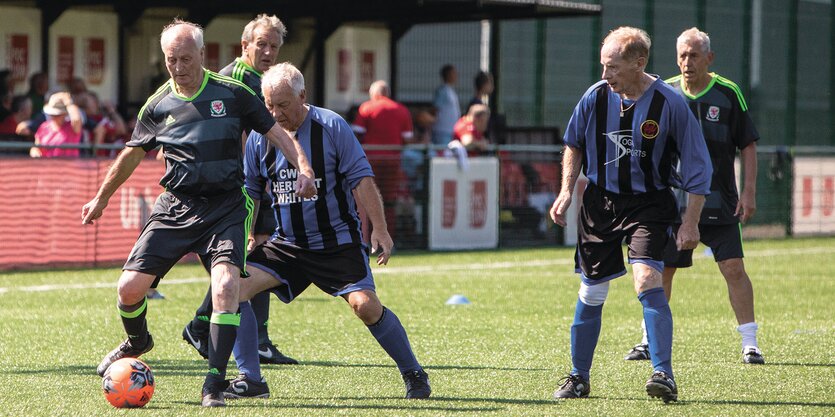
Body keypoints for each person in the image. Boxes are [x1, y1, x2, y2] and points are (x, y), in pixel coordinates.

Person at [80, 19, 316, 408]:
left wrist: (304, 169)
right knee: (128, 290)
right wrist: (101, 198)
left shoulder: (235, 93)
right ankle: (139, 341)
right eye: (171, 59)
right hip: (175, 208)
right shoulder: (157, 104)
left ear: (203, 55)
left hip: (226, 207)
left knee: (225, 288)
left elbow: (277, 133)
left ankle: (213, 384)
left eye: (186, 58)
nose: (178, 67)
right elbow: (132, 154)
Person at [217, 62, 431, 400]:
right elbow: (251, 192)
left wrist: (380, 229)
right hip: (287, 244)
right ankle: (252, 380)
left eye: (283, 105)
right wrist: (244, 235)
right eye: (269, 105)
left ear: (303, 95)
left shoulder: (332, 126)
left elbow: (361, 178)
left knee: (365, 306)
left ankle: (414, 374)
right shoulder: (261, 137)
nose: (275, 113)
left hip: (337, 243)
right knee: (231, 289)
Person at [549, 26, 712, 403]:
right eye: (603, 66)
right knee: (592, 291)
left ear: (639, 63)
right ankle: (578, 376)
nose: (606, 75)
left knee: (647, 281)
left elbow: (697, 164)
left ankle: (663, 374)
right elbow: (573, 144)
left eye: (613, 67)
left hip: (650, 205)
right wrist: (565, 190)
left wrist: (690, 220)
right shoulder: (594, 97)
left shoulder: (670, 104)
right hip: (600, 204)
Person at [623, 27, 764, 365]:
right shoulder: (665, 92)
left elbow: (748, 145)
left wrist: (748, 191)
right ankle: (647, 340)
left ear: (709, 58)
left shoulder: (728, 93)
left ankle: (750, 343)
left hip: (719, 200)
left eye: (694, 55)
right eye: (682, 55)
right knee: (662, 270)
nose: (687, 62)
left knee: (732, 268)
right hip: (672, 203)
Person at [181, 13, 298, 366]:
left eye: (274, 46)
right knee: (249, 256)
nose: (267, 51)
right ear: (245, 45)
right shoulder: (231, 78)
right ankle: (227, 332)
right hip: (237, 182)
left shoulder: (267, 80)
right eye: (261, 44)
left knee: (253, 256)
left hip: (259, 176)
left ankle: (215, 329)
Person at [351, 80, 414, 237]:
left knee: (367, 197)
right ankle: (388, 237)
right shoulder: (401, 109)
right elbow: (407, 138)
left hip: (370, 161)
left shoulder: (366, 108)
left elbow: (356, 135)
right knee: (389, 199)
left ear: (374, 94)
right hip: (393, 161)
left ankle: (366, 237)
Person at [30, 92, 82, 158]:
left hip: (68, 166)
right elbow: (36, 147)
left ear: (65, 114)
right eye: (52, 114)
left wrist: (68, 102)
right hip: (47, 166)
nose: (54, 117)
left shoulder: (72, 127)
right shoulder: (44, 126)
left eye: (58, 115)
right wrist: (35, 152)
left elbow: (76, 119)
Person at [431, 64, 460, 146]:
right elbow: (435, 109)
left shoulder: (450, 90)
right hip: (442, 131)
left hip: (450, 131)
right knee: (442, 155)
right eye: (453, 73)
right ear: (448, 75)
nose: (456, 75)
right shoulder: (442, 91)